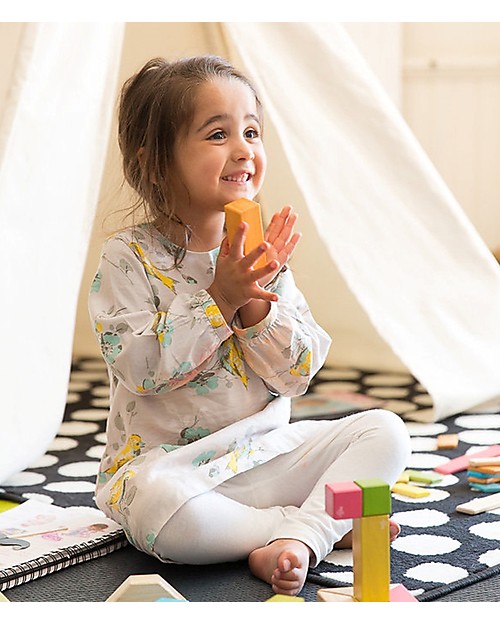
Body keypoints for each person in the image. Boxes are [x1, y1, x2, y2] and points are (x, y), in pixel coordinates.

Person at [88, 55, 411, 597]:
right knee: (151, 508)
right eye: (217, 133)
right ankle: (310, 528)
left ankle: (302, 535)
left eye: (252, 131)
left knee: (385, 431)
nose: (244, 149)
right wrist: (218, 298)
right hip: (176, 475)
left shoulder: (264, 257)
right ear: (154, 164)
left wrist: (256, 304)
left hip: (266, 456)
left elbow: (298, 373)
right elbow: (140, 370)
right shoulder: (128, 258)